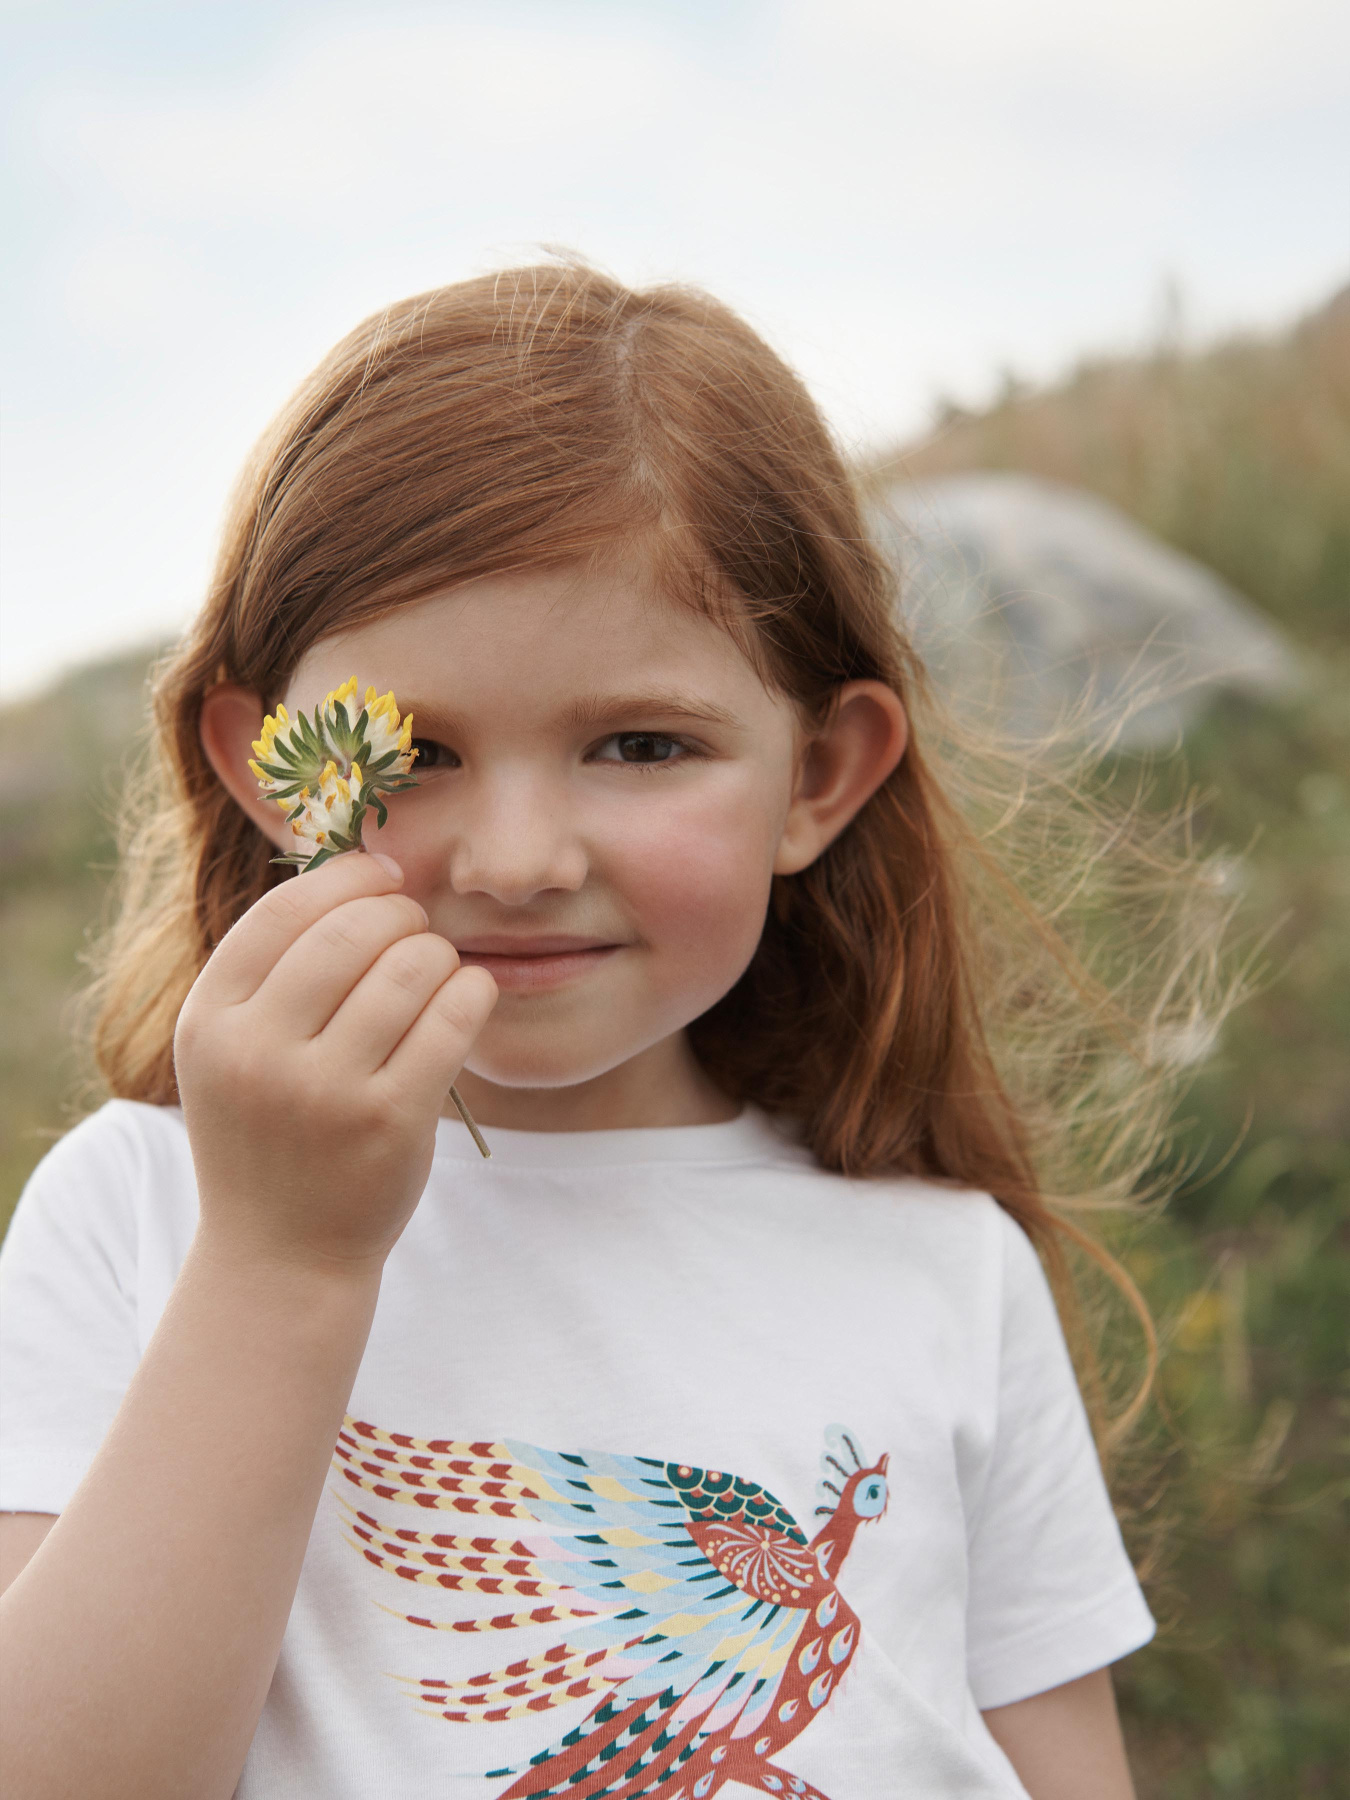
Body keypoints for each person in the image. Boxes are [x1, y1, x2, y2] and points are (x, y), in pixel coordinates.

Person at [0, 264, 1182, 1799]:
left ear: (818, 777)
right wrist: (286, 1263)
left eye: (639, 745)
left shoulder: (944, 1266)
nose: (517, 858)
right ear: (271, 769)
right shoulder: (148, 1213)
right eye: (410, 751)